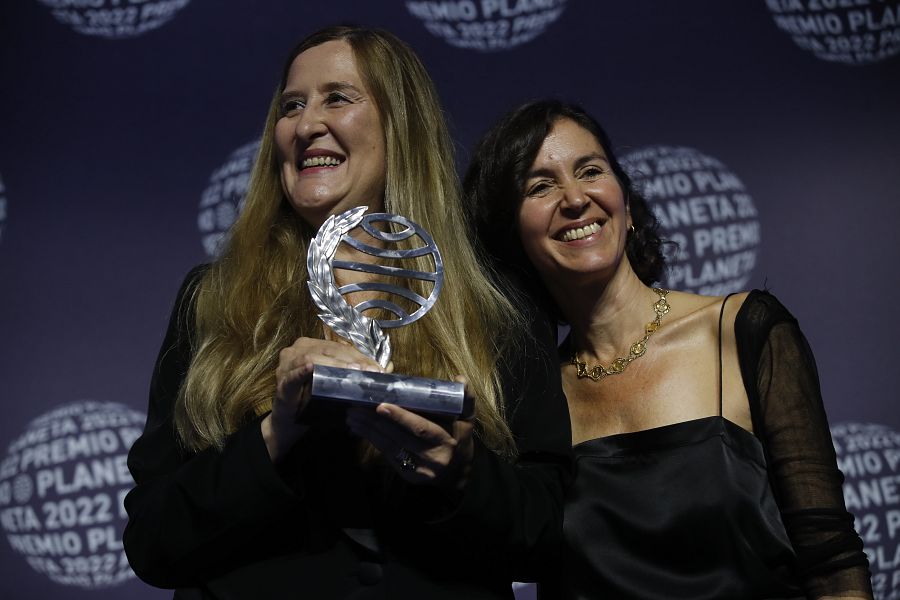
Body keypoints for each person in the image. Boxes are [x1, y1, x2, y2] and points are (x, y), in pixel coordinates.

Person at [123, 27, 571, 599]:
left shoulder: (497, 306)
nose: (306, 124)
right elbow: (153, 541)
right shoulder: (212, 300)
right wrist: (276, 433)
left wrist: (462, 474)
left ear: (400, 125)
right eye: (292, 106)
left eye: (337, 97)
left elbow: (546, 535)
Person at [464, 99, 873, 599]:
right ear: (512, 235)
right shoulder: (528, 395)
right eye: (540, 186)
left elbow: (831, 561)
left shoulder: (741, 331)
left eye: (590, 171)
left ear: (625, 201)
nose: (574, 198)